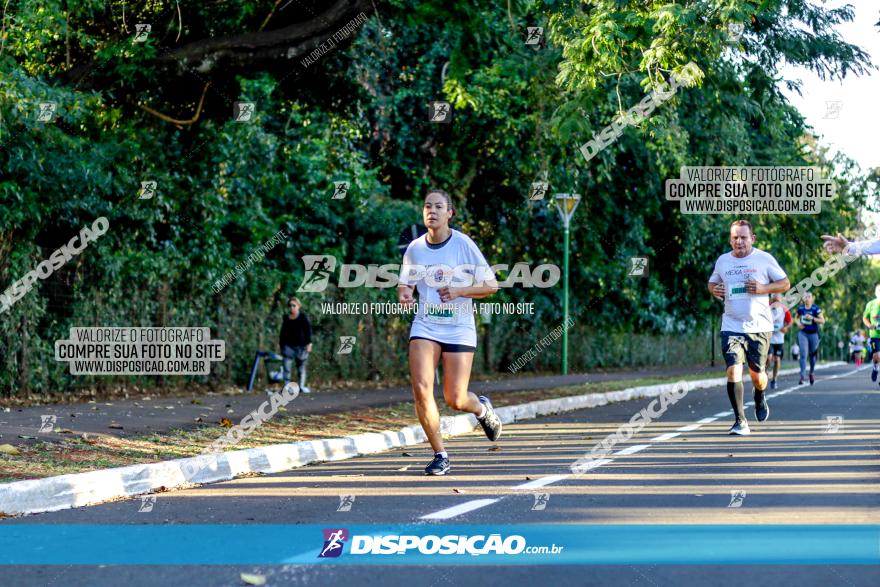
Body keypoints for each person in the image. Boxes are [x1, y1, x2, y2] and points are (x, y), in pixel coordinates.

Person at [397, 189, 502, 475]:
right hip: (426, 326)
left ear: (449, 213)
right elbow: (405, 283)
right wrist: (405, 294)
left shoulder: (463, 244)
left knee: (455, 398)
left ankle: (481, 409)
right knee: (421, 389)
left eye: (438, 206)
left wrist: (459, 290)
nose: (432, 210)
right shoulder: (415, 248)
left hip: (458, 329)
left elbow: (491, 285)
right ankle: (440, 454)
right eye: (427, 206)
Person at [708, 220, 790, 436]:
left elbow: (785, 283)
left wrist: (764, 288)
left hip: (760, 327)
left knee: (757, 375)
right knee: (733, 369)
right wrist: (715, 290)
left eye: (743, 237)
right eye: (735, 237)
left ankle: (760, 394)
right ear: (730, 239)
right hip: (731, 325)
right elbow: (712, 283)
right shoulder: (723, 261)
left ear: (752, 238)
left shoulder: (764, 259)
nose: (739, 241)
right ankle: (740, 421)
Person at [279, 297, 313, 393]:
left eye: (294, 305)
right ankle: (287, 387)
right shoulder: (286, 318)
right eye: (290, 305)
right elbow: (282, 333)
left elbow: (308, 331)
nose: (292, 307)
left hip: (301, 347)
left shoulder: (303, 317)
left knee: (301, 367)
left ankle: (301, 386)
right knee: (286, 368)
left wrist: (309, 343)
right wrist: (281, 345)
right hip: (288, 347)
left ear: (298, 306)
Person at [795, 292, 825, 385]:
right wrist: (798, 324)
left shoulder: (816, 308)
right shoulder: (801, 308)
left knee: (812, 356)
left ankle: (811, 372)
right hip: (803, 333)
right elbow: (796, 318)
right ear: (803, 299)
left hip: (813, 334)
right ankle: (802, 376)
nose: (807, 298)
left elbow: (822, 321)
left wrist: (812, 318)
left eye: (809, 297)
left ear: (812, 299)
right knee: (803, 354)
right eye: (805, 297)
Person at [766, 293, 792, 389]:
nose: (776, 302)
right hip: (769, 338)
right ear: (771, 300)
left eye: (778, 300)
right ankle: (765, 373)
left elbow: (790, 322)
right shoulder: (767, 308)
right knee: (769, 358)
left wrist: (786, 328)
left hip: (779, 339)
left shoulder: (784, 309)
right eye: (774, 300)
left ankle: (774, 379)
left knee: (777, 359)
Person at [863, 285, 880, 383]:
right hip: (875, 335)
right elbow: (865, 317)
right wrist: (869, 325)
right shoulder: (871, 304)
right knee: (877, 356)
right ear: (876, 293)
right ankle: (875, 368)